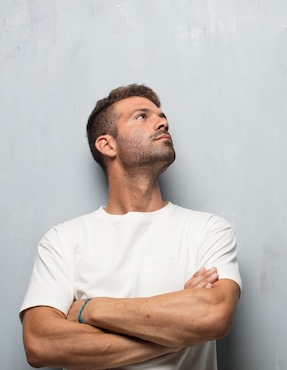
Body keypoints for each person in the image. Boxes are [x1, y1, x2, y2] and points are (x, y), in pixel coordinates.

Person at [19, 84, 242, 370]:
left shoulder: (208, 230)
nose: (162, 122)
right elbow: (40, 343)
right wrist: (180, 326)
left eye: (161, 116)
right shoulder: (62, 240)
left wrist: (91, 309)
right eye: (142, 116)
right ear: (107, 144)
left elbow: (213, 316)